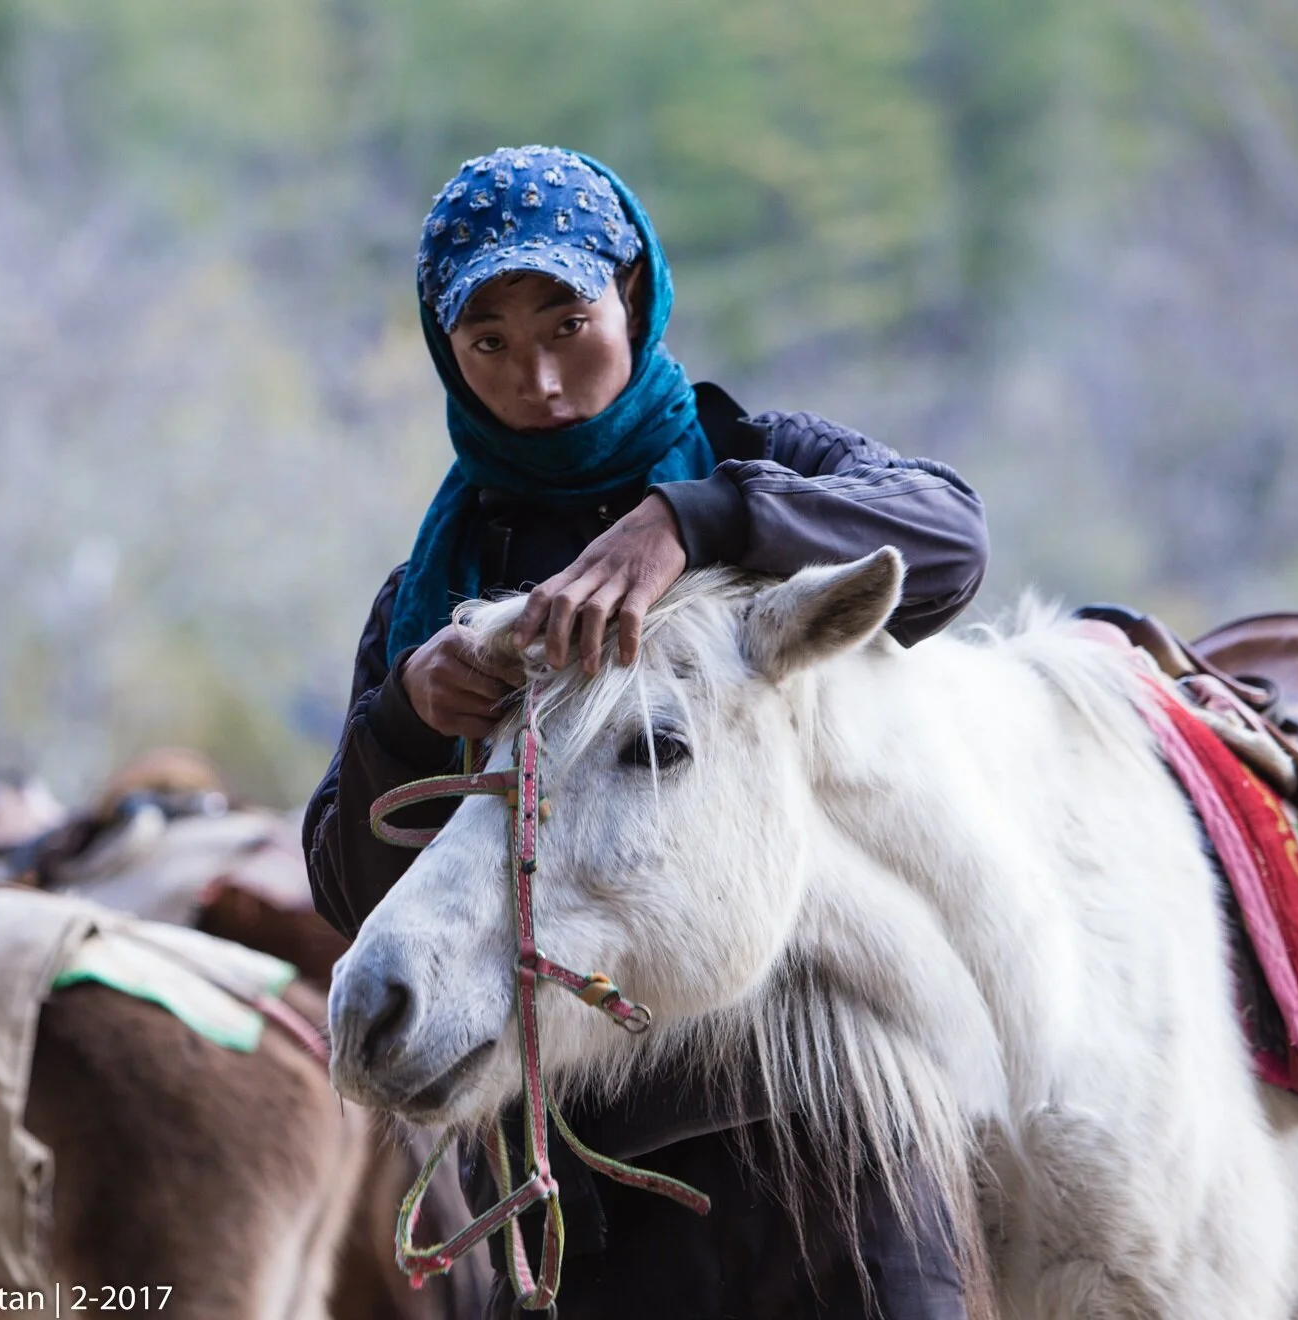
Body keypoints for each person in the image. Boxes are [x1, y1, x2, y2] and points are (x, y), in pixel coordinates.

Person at [304, 146, 988, 1319]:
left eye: (569, 322)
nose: (543, 379)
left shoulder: (758, 463)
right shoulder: (429, 591)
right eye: (490, 346)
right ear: (447, 355)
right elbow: (344, 879)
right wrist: (409, 720)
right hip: (569, 1186)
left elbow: (949, 544)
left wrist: (696, 518)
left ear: (631, 294)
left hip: (828, 1138)